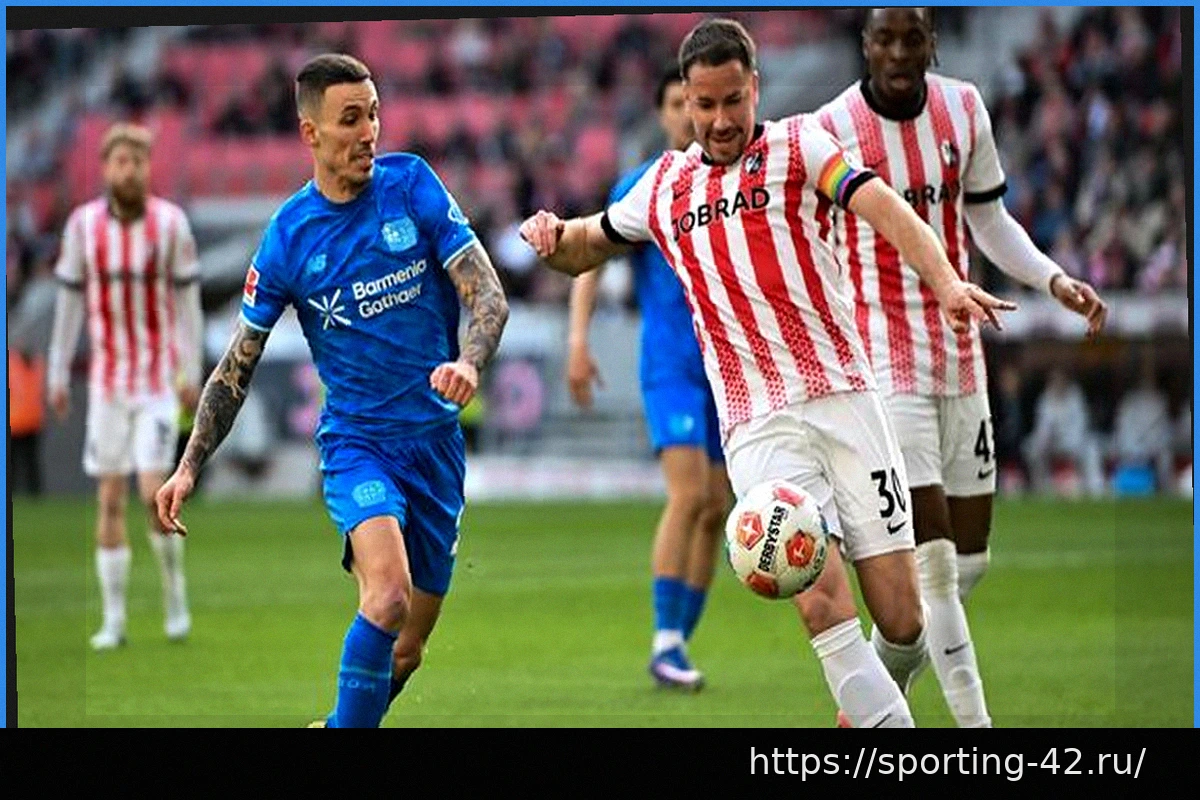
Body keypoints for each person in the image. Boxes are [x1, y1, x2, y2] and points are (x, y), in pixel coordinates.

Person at [521, 19, 1014, 728]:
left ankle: (865, 713)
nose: (721, 121)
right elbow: (583, 246)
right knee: (817, 598)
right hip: (758, 426)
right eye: (705, 105)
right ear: (686, 100)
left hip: (847, 400)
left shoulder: (800, 145)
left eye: (733, 101)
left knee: (904, 621)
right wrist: (549, 237)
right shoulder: (661, 187)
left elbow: (882, 204)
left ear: (754, 88)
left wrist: (945, 281)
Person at [155, 54, 509, 729]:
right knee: (387, 596)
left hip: (436, 448)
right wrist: (189, 463)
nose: (368, 131)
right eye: (350, 119)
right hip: (359, 446)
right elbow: (237, 365)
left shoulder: (413, 185)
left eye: (373, 114)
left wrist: (469, 361)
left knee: (406, 650)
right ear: (311, 133)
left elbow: (486, 292)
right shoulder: (290, 237)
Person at [814, 7, 1109, 727]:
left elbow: (989, 220)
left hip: (959, 351)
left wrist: (1051, 279)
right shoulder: (832, 127)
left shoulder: (965, 109)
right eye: (885, 39)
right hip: (884, 360)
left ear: (932, 44)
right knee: (936, 566)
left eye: (912, 38)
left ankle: (868, 707)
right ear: (865, 46)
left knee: (969, 563)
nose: (898, 52)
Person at [566, 65, 729, 691]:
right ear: (665, 113)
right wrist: (578, 343)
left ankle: (678, 639)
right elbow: (589, 258)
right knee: (688, 495)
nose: (687, 114)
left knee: (716, 508)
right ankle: (664, 641)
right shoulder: (646, 185)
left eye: (694, 103)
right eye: (677, 104)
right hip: (671, 364)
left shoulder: (730, 181)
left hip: (727, 366)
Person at [47, 123, 203, 650]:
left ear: (147, 168)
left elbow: (187, 303)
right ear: (106, 168)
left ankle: (174, 595)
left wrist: (191, 372)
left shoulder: (171, 225)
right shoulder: (82, 227)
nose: (130, 171)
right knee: (109, 498)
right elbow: (69, 301)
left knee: (152, 492)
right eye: (121, 162)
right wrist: (57, 371)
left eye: (138, 162)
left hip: (157, 382)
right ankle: (113, 620)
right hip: (107, 386)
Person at [1023, 367, 1105, 496]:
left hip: (1074, 443)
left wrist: (1068, 445)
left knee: (1092, 447)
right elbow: (1042, 427)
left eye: (1060, 380)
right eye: (1054, 380)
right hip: (1052, 443)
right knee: (1030, 447)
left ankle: (1095, 488)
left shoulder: (1076, 396)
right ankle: (1041, 487)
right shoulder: (1045, 398)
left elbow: (1081, 426)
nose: (1057, 383)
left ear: (1065, 381)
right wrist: (1045, 440)